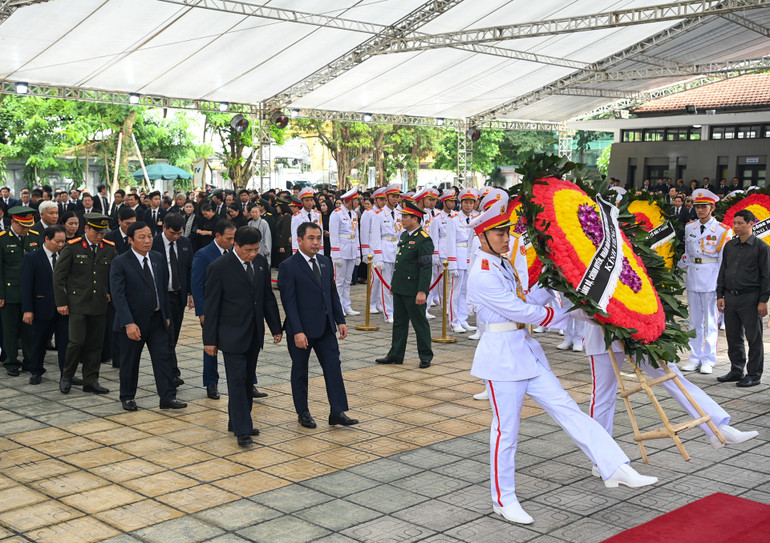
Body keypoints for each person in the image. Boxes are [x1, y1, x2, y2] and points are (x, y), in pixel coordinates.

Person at [465, 195, 657, 525]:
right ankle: (503, 498)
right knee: (506, 432)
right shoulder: (481, 273)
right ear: (481, 236)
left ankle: (615, 467)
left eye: (506, 232)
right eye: (498, 233)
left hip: (525, 350)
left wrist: (558, 287)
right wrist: (559, 313)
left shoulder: (502, 263)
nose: (505, 238)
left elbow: (525, 297)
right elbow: (519, 310)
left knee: (569, 410)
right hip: (502, 359)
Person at [584, 320, 758, 451]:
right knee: (603, 397)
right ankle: (602, 457)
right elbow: (576, 305)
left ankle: (717, 428)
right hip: (601, 335)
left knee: (673, 378)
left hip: (636, 329)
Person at [204, 226, 282, 446]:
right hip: (230, 335)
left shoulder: (259, 264)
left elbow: (266, 296)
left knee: (247, 381)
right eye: (248, 250)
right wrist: (209, 340)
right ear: (235, 245)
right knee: (236, 381)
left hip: (254, 333)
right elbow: (212, 306)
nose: (253, 254)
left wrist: (275, 327)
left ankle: (237, 420)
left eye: (256, 249)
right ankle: (242, 429)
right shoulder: (218, 268)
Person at [278, 222, 358, 429]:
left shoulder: (325, 262)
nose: (315, 243)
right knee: (300, 371)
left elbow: (331, 293)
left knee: (333, 367)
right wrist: (297, 331)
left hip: (325, 327)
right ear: (300, 240)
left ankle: (337, 411)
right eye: (311, 238)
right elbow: (290, 302)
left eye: (318, 238)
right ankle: (302, 412)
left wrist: (340, 320)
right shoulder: (289, 266)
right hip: (302, 330)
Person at [110, 221, 187, 411]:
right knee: (130, 361)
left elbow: (162, 289)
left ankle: (167, 397)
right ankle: (127, 397)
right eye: (142, 237)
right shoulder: (120, 262)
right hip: (133, 322)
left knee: (164, 358)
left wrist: (167, 315)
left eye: (150, 236)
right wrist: (128, 322)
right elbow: (118, 297)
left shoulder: (157, 258)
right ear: (130, 240)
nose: (147, 241)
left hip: (158, 319)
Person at [54, 213, 117, 394]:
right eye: (97, 232)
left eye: (103, 233)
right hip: (77, 303)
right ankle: (67, 376)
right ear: (87, 229)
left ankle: (91, 380)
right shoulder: (72, 247)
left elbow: (115, 272)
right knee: (76, 341)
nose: (100, 236)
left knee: (95, 344)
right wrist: (61, 302)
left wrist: (109, 291)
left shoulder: (108, 248)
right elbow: (59, 277)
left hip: (98, 304)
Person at [375, 202, 434, 368]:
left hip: (414, 289)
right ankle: (395, 354)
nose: (402, 219)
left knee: (419, 323)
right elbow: (399, 264)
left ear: (415, 219)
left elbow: (425, 269)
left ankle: (425, 356)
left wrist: (422, 291)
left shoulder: (423, 240)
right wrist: (394, 286)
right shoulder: (404, 236)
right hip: (401, 288)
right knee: (399, 323)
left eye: (405, 217)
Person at [678, 189, 731, 374]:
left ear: (712, 207)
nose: (700, 210)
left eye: (704, 207)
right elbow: (687, 253)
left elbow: (724, 260)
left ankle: (708, 359)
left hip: (711, 278)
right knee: (694, 321)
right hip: (693, 276)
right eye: (697, 206)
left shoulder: (722, 230)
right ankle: (694, 358)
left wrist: (722, 285)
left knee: (710, 321)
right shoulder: (689, 227)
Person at [716, 209, 770, 387]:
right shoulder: (730, 246)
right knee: (732, 336)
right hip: (731, 297)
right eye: (735, 223)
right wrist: (720, 295)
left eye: (740, 223)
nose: (736, 226)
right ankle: (736, 369)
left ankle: (754, 374)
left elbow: (766, 276)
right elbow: (723, 271)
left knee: (753, 337)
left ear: (751, 224)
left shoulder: (761, 248)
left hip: (751, 298)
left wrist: (763, 300)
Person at [22, 225, 68, 384]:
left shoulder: (66, 255)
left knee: (65, 343)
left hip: (64, 308)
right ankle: (36, 371)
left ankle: (66, 374)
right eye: (58, 241)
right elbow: (26, 285)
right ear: (47, 238)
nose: (61, 245)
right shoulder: (32, 257)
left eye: (64, 241)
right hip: (41, 307)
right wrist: (27, 309)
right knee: (38, 342)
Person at [152, 213, 193, 388]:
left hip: (179, 296)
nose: (175, 237)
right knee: (166, 335)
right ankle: (172, 373)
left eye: (179, 233)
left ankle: (170, 370)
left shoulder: (185, 243)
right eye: (171, 234)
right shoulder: (154, 243)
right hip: (162, 297)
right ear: (164, 228)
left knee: (174, 336)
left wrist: (191, 293)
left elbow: (189, 268)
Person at [0, 207, 41, 376]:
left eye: (28, 226)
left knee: (29, 329)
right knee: (10, 329)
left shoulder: (34, 237)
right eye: (22, 226)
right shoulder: (2, 239)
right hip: (10, 292)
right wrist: (1, 294)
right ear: (13, 223)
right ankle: (11, 362)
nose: (26, 229)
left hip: (31, 292)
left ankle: (30, 360)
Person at [449, 188, 480, 333]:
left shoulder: (477, 218)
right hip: (458, 256)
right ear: (461, 203)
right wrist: (452, 263)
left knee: (465, 291)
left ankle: (463, 319)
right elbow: (450, 242)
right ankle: (454, 321)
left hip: (470, 257)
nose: (468, 205)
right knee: (455, 291)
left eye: (471, 202)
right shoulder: (454, 219)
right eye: (466, 202)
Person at [370, 184, 402, 323]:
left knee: (397, 284)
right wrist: (378, 257)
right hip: (385, 249)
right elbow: (375, 237)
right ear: (387, 197)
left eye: (397, 197)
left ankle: (396, 310)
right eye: (393, 196)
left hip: (397, 250)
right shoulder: (379, 215)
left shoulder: (400, 213)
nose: (395, 199)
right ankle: (388, 313)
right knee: (386, 284)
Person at [329, 188, 361, 316]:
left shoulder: (354, 214)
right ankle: (338, 306)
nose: (358, 202)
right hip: (341, 251)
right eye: (356, 200)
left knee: (347, 280)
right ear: (349, 201)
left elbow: (356, 234)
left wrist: (358, 252)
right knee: (339, 281)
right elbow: (334, 235)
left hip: (352, 250)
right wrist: (336, 253)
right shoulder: (336, 214)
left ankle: (347, 305)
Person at [291, 188, 322, 254]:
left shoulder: (318, 215)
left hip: (315, 248)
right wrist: (295, 253)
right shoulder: (296, 217)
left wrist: (321, 251)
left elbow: (320, 235)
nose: (310, 203)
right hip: (303, 249)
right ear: (302, 202)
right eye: (307, 200)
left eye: (311, 200)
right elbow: (295, 237)